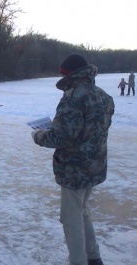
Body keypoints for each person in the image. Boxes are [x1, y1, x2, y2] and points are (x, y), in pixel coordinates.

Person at [31, 54, 114, 265]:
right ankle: (93, 256)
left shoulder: (73, 97)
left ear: (69, 74)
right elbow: (93, 131)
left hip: (74, 169)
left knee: (71, 218)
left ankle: (79, 261)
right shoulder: (103, 96)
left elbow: (63, 137)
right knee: (82, 211)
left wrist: (39, 135)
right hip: (94, 165)